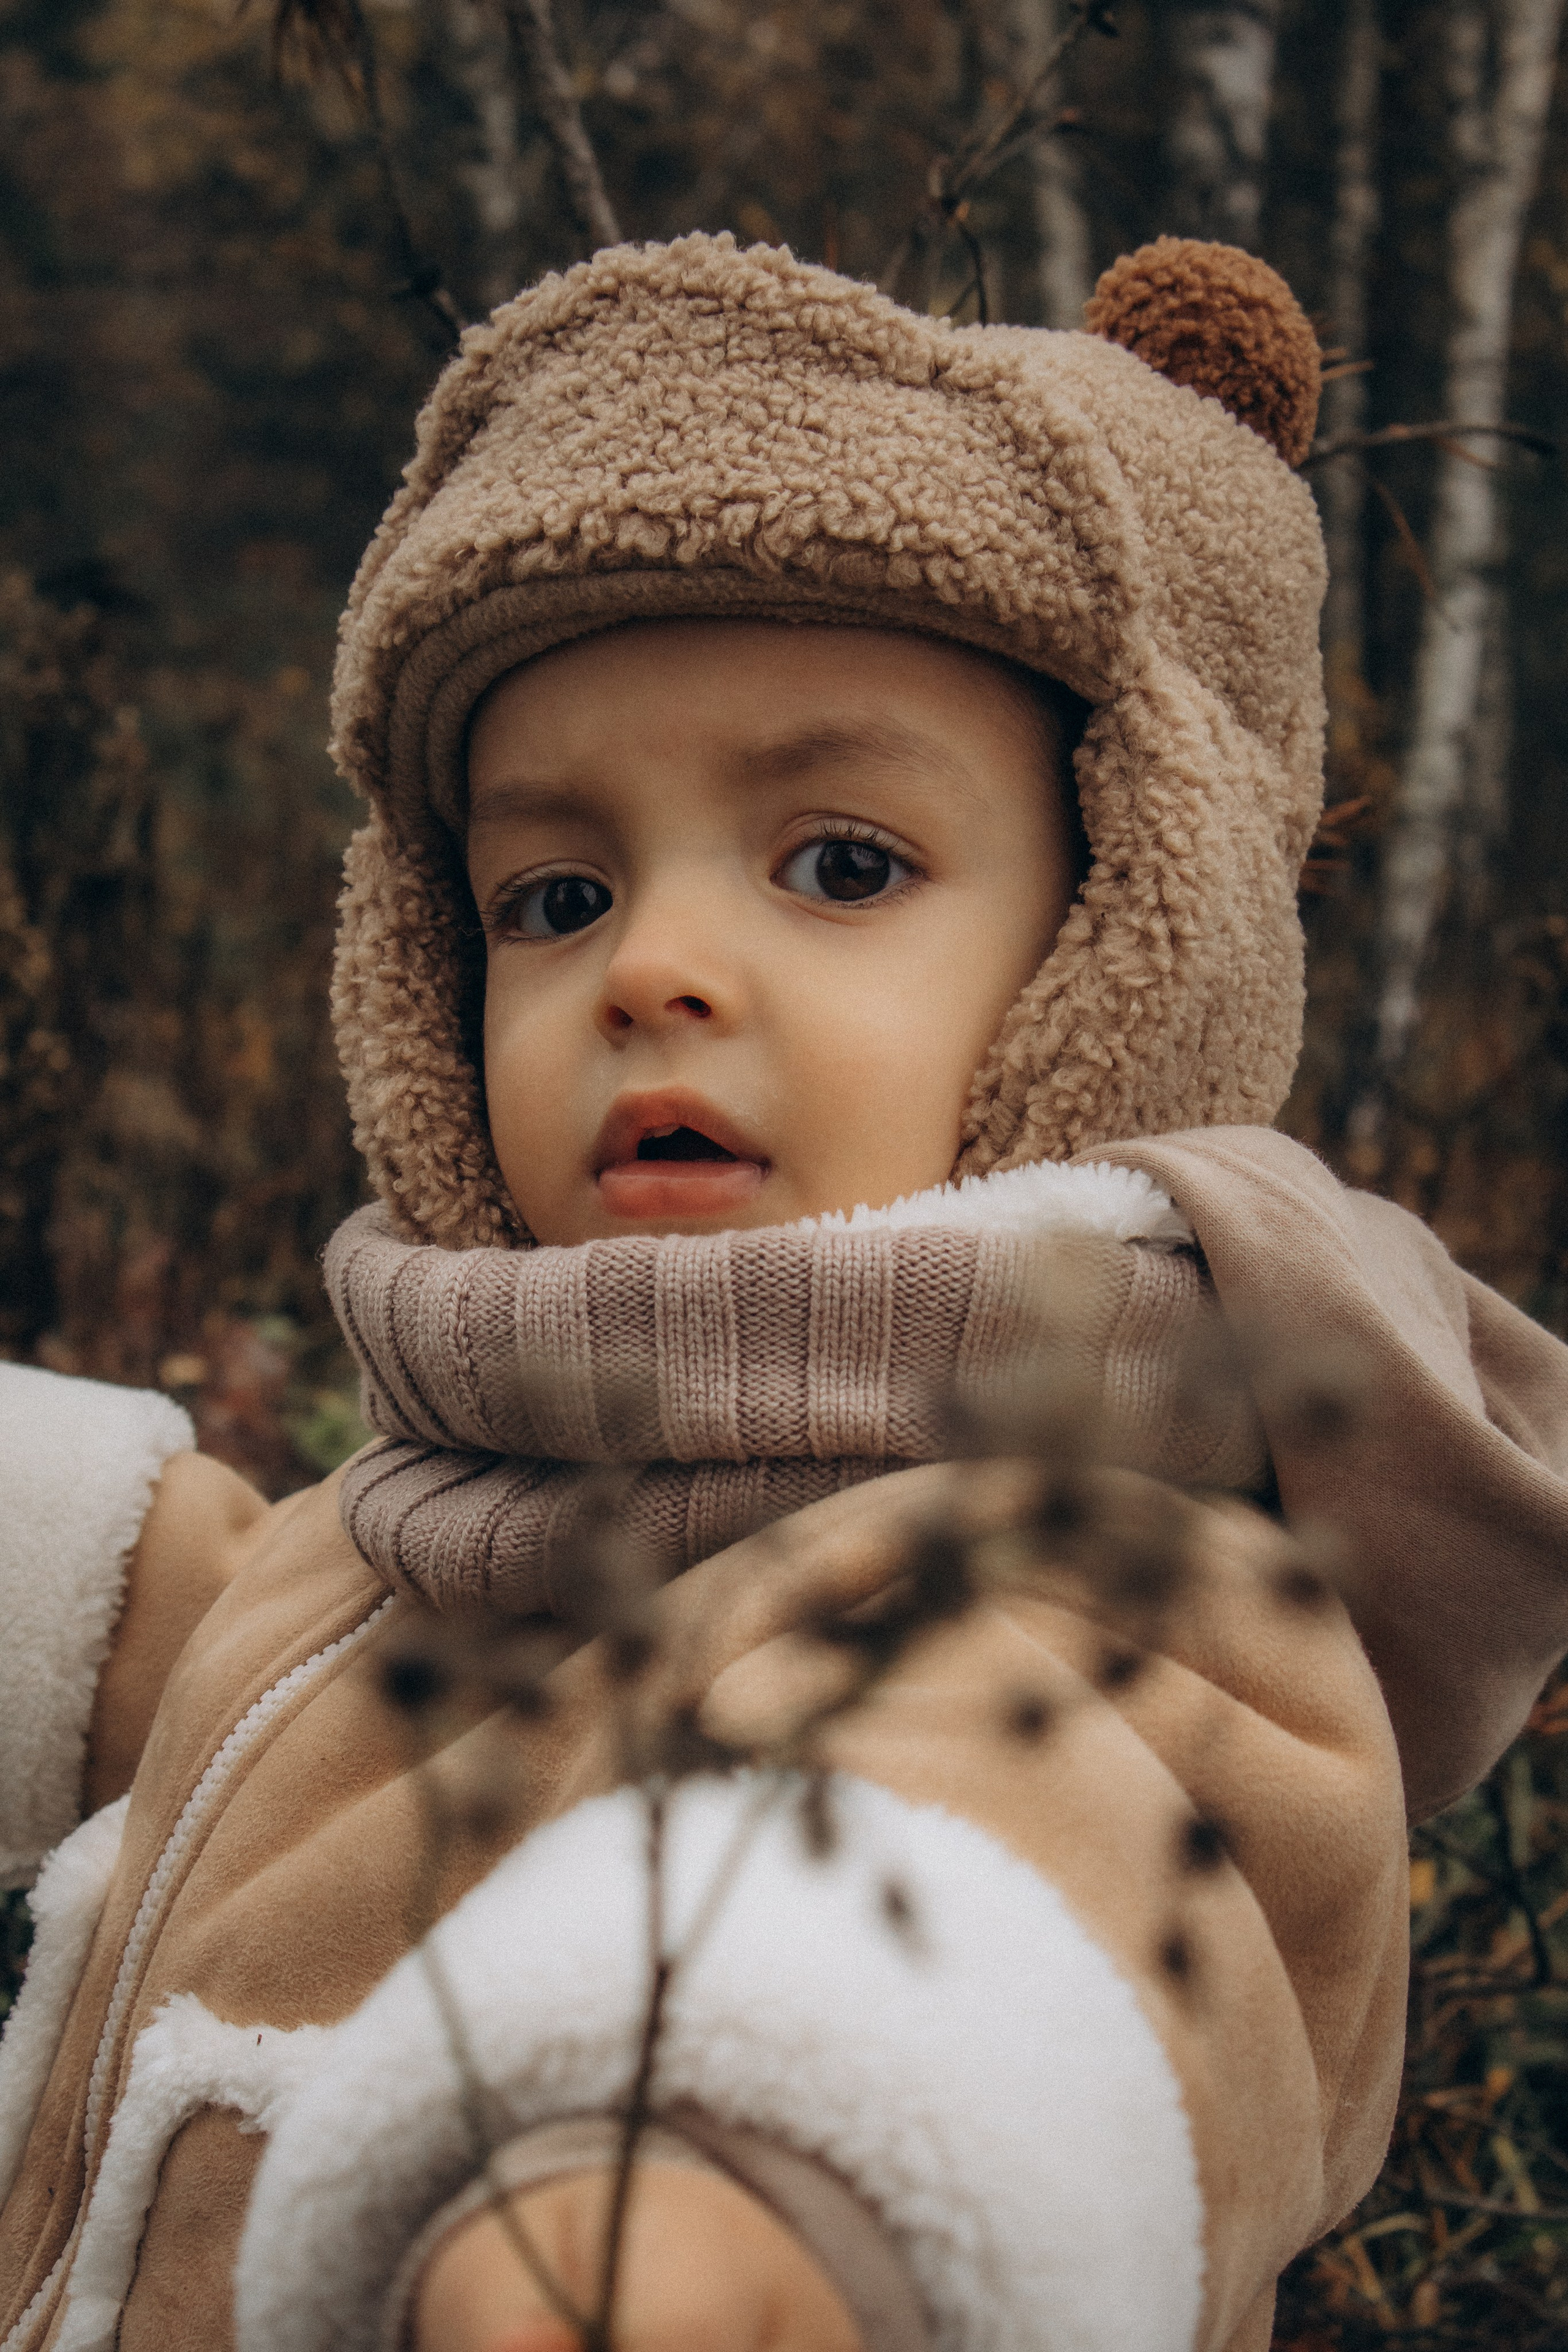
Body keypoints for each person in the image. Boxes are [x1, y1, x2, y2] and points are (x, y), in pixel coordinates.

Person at [2, 232, 1567, 2352]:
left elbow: (979, 1884)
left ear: (1117, 957)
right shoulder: (444, 1514)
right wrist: (75, 1565)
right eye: (555, 895)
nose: (648, 967)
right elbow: (267, 1650)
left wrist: (703, 2199)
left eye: (840, 864)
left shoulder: (1105, 1601)